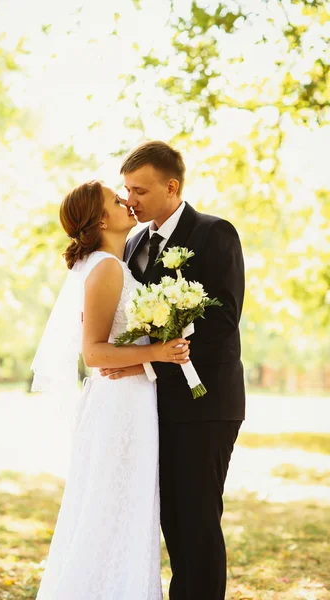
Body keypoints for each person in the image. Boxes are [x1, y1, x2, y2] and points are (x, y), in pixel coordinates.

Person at [30, 179, 190, 600]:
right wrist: (156, 351)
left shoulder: (115, 264)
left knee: (126, 506)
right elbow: (95, 354)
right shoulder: (105, 268)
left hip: (133, 400)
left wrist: (145, 357)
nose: (128, 203)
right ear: (102, 218)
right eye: (118, 200)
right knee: (109, 507)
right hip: (119, 407)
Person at [100, 141, 246, 600]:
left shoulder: (214, 233)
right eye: (126, 190)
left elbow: (221, 324)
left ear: (172, 186)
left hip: (205, 404)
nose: (130, 200)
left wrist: (152, 360)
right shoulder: (132, 242)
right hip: (148, 405)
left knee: (197, 523)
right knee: (169, 522)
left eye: (139, 190)